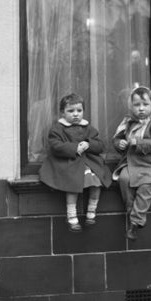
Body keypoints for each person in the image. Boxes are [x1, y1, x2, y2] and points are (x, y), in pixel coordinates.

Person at [39, 93, 112, 232]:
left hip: (88, 162)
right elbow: (55, 145)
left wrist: (89, 144)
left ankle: (92, 211)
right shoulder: (58, 128)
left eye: (79, 110)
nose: (76, 114)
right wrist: (74, 148)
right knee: (72, 183)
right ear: (62, 113)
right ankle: (71, 215)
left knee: (97, 181)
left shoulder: (88, 128)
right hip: (68, 162)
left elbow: (101, 145)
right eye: (70, 111)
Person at [112, 86, 151, 241]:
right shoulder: (128, 122)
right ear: (131, 107)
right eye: (137, 105)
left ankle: (136, 221)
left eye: (145, 104)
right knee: (124, 179)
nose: (141, 109)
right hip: (131, 162)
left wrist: (137, 142)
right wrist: (119, 143)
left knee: (145, 187)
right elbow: (117, 138)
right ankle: (131, 211)